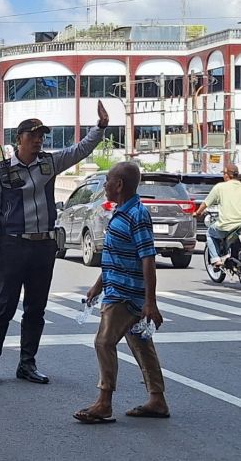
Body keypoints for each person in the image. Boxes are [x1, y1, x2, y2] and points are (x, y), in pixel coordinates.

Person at [0, 101, 109, 386]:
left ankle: (27, 363)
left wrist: (99, 128)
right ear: (19, 139)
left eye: (42, 136)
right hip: (13, 246)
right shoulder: (0, 171)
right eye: (33, 136)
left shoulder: (49, 163)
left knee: (36, 308)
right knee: (4, 305)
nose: (39, 141)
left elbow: (79, 151)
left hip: (43, 246)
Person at [74, 162, 169, 424]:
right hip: (117, 288)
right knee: (140, 342)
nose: (104, 185)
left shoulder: (137, 214)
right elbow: (117, 256)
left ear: (119, 185)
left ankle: (104, 403)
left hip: (126, 295)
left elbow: (147, 258)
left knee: (104, 342)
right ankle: (157, 399)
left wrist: (151, 302)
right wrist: (97, 286)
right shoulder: (121, 212)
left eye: (107, 181)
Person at [193, 163, 241, 267]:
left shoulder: (220, 187)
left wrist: (197, 213)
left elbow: (206, 203)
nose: (223, 175)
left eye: (224, 173)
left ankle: (216, 259)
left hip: (226, 226)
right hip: (239, 226)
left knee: (210, 233)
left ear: (228, 175)